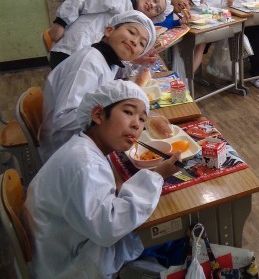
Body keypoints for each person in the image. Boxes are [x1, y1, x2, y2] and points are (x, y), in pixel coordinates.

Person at [24, 80, 180, 279]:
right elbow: (109, 227)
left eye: (142, 119)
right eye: (129, 112)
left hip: (70, 242)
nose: (136, 125)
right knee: (176, 231)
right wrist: (157, 176)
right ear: (98, 115)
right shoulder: (84, 164)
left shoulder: (84, 147)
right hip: (69, 265)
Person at [39, 10, 156, 162]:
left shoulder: (107, 58)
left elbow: (115, 72)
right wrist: (110, 117)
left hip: (86, 141)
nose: (135, 41)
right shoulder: (88, 63)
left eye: (141, 44)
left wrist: (135, 62)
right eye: (132, 32)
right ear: (109, 30)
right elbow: (63, 118)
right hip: (66, 150)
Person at [47, 0, 172, 69]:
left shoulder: (133, 24)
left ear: (152, 18)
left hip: (88, 62)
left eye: (157, 9)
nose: (152, 5)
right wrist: (61, 22)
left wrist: (134, 59)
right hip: (70, 51)